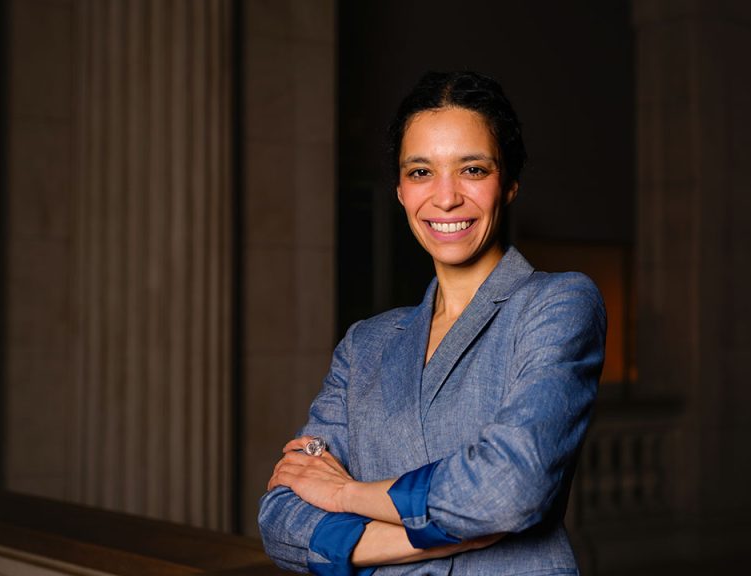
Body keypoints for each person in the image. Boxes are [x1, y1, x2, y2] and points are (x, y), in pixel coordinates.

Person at [258, 70, 606, 575]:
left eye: (472, 169)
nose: (445, 198)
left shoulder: (558, 303)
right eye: (421, 172)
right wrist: (423, 541)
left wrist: (345, 492)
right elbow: (280, 515)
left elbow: (510, 487)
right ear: (400, 190)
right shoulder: (365, 344)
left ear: (508, 185)